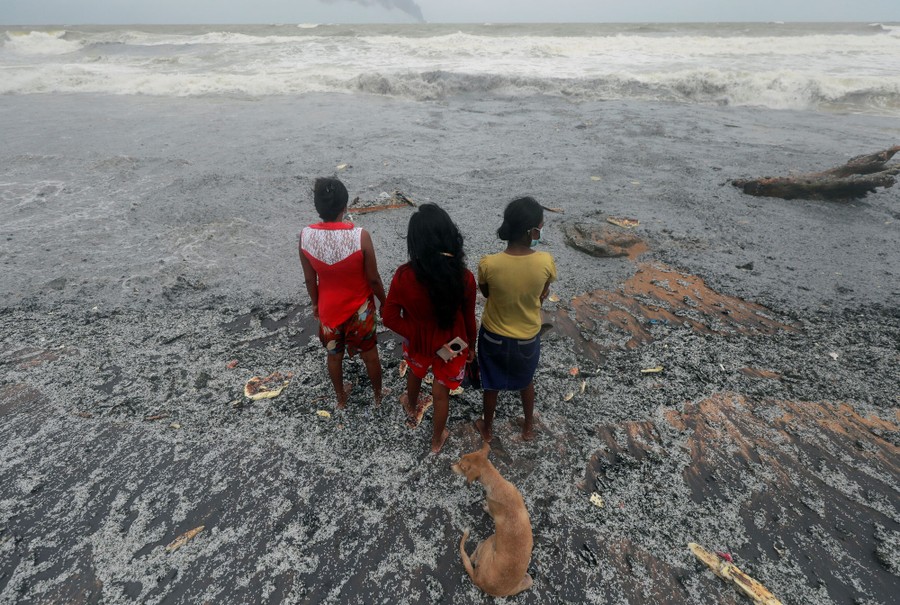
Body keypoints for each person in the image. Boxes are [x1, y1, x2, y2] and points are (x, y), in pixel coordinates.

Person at [382, 204, 477, 454]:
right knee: (441, 392)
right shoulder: (464, 277)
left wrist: (415, 333)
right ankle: (437, 440)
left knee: (415, 370)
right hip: (454, 343)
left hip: (419, 343)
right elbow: (469, 319)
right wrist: (471, 348)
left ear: (416, 243)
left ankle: (411, 405)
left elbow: (388, 317)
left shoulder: (403, 276)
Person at [299, 177, 386, 409]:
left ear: (318, 207)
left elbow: (310, 279)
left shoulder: (305, 236)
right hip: (360, 309)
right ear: (345, 206)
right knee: (370, 355)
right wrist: (385, 302)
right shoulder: (360, 236)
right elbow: (374, 279)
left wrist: (315, 304)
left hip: (329, 309)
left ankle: (341, 399)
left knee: (334, 356)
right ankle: (378, 396)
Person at [476, 197, 557, 442]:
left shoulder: (488, 263)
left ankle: (487, 429)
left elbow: (487, 293)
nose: (541, 232)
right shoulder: (545, 261)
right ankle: (528, 428)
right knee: (526, 382)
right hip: (526, 338)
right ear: (532, 232)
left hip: (493, 336)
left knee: (491, 384)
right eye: (541, 228)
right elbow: (543, 292)